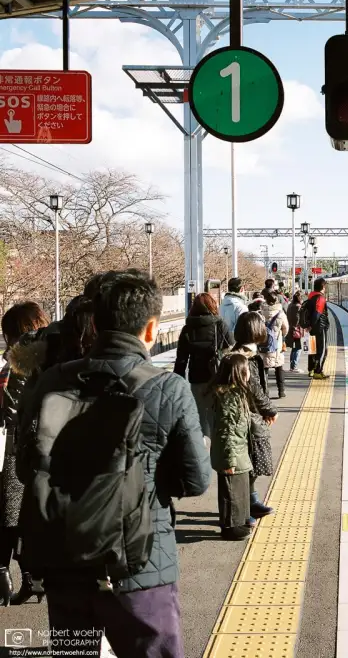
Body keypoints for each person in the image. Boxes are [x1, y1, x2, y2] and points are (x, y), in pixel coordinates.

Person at [16, 269, 211, 658]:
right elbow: (195, 480)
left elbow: (26, 469)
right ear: (152, 329)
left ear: (95, 323)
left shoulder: (51, 381)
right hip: (141, 565)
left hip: (64, 559)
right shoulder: (168, 388)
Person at [0, 301, 50, 606]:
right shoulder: (60, 351)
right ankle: (33, 578)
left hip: (20, 446)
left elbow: (11, 409)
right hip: (53, 444)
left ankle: (15, 574)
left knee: (11, 512)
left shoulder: (19, 360)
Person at [208, 353, 275, 540]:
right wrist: (229, 460)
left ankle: (242, 519)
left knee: (240, 489)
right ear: (239, 373)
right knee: (231, 493)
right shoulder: (229, 398)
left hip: (239, 452)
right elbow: (227, 432)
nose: (249, 375)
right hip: (232, 455)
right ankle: (231, 527)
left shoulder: (233, 393)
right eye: (247, 371)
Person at [231, 312, 277, 526]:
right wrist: (269, 410)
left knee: (250, 465)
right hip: (247, 419)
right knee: (246, 465)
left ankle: (252, 501)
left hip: (248, 417)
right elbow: (255, 389)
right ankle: (242, 509)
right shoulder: (244, 358)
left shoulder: (243, 353)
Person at [174, 292, 234, 442]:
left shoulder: (187, 329)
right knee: (219, 414)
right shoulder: (220, 324)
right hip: (218, 377)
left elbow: (181, 360)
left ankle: (202, 449)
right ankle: (218, 450)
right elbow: (231, 348)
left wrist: (177, 384)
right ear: (213, 306)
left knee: (200, 415)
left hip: (197, 378)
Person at [260, 291, 289, 399]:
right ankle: (281, 391)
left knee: (264, 369)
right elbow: (286, 328)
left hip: (263, 343)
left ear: (266, 300)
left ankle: (265, 393)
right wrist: (281, 336)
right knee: (279, 368)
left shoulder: (261, 312)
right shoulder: (280, 314)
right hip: (277, 344)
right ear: (276, 300)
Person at [307, 278, 330, 380]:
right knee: (323, 350)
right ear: (323, 287)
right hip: (320, 327)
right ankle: (318, 371)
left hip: (312, 328)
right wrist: (312, 324)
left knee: (312, 349)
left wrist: (309, 326)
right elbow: (317, 313)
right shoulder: (320, 298)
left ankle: (311, 369)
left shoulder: (311, 297)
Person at [285, 290, 304, 373]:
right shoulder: (298, 307)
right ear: (300, 299)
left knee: (294, 348)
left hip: (290, 329)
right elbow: (298, 320)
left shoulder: (290, 305)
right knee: (298, 348)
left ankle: (292, 366)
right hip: (296, 330)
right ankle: (294, 367)